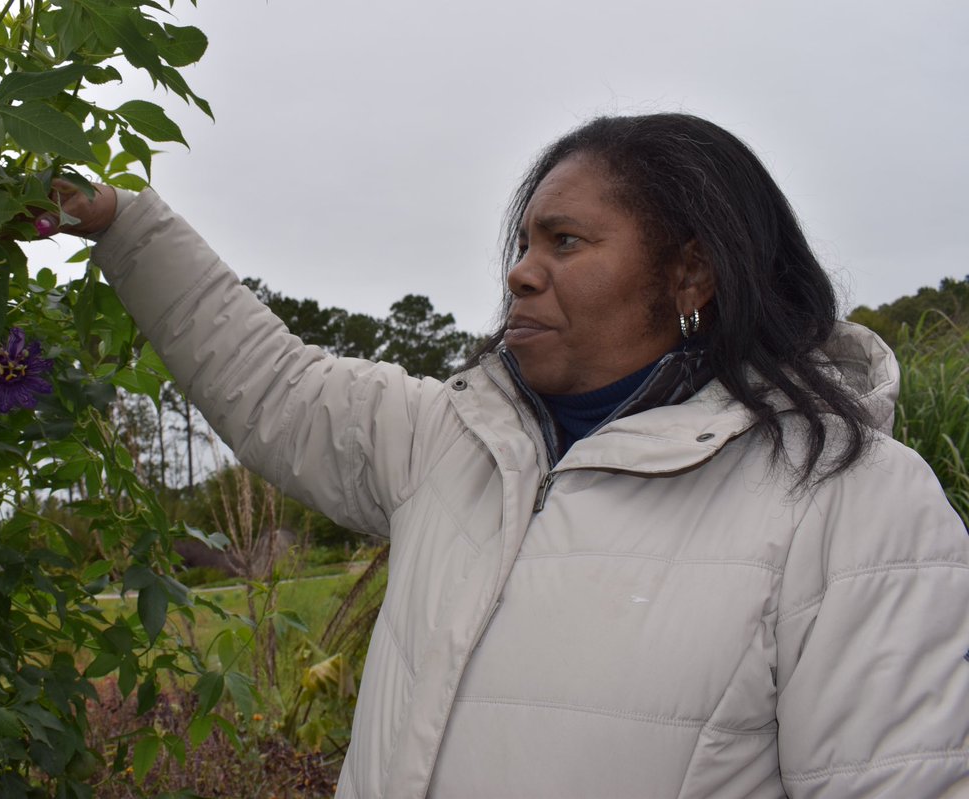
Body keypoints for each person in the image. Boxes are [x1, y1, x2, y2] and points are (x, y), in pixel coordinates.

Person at [52, 113, 969, 798]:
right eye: (525, 242)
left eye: (565, 241)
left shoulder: (850, 503)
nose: (520, 271)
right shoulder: (445, 442)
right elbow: (274, 382)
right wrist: (122, 224)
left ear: (690, 273)